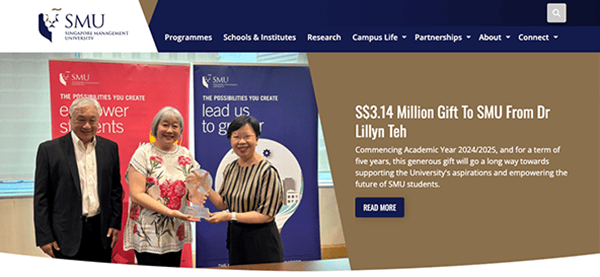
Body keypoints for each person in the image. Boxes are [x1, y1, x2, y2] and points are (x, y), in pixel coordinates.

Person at [34, 98, 123, 262]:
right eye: (81, 119)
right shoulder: (50, 150)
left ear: (98, 121)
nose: (87, 125)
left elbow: (115, 190)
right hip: (64, 234)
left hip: (101, 232)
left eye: (92, 120)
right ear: (70, 119)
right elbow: (42, 198)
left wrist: (115, 223)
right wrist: (44, 237)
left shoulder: (110, 148)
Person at [123, 106, 207, 267]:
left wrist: (197, 192)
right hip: (147, 232)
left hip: (174, 230)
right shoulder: (143, 153)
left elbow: (193, 190)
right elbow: (136, 194)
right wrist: (170, 211)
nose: (169, 130)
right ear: (156, 127)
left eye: (175, 126)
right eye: (165, 125)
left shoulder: (185, 154)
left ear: (180, 131)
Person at [199, 115, 284, 266]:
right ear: (230, 140)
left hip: (262, 241)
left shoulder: (267, 171)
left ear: (257, 139)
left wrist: (229, 216)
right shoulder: (231, 168)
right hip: (237, 239)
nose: (241, 141)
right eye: (236, 137)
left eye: (247, 136)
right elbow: (223, 204)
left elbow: (266, 215)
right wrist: (205, 186)